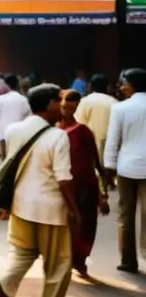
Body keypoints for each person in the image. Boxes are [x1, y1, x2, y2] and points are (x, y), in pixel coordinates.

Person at [0, 84, 80, 297]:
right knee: (59, 265)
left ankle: (5, 283)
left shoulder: (14, 129)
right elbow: (63, 178)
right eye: (59, 101)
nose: (62, 107)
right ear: (49, 104)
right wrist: (74, 210)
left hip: (21, 206)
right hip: (50, 209)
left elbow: (14, 168)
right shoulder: (57, 136)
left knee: (21, 253)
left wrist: (7, 205)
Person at [59, 90, 109, 278]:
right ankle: (67, 259)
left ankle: (79, 260)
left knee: (85, 224)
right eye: (63, 106)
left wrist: (103, 195)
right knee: (66, 224)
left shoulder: (83, 131)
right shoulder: (53, 131)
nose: (65, 110)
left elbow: (97, 164)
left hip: (85, 188)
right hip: (63, 187)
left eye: (70, 107)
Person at [103, 68, 146, 274]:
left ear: (132, 85)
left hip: (127, 167)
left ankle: (128, 261)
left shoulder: (120, 108)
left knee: (126, 215)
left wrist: (109, 168)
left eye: (124, 83)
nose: (121, 87)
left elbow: (113, 140)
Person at [74, 74, 117, 164]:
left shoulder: (85, 101)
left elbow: (77, 124)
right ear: (107, 86)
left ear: (90, 86)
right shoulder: (114, 102)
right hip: (111, 147)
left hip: (90, 147)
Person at [0, 74, 32, 158]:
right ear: (18, 85)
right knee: (18, 159)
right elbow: (29, 118)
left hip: (3, 135)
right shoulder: (23, 99)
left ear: (5, 85)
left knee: (6, 159)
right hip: (20, 134)